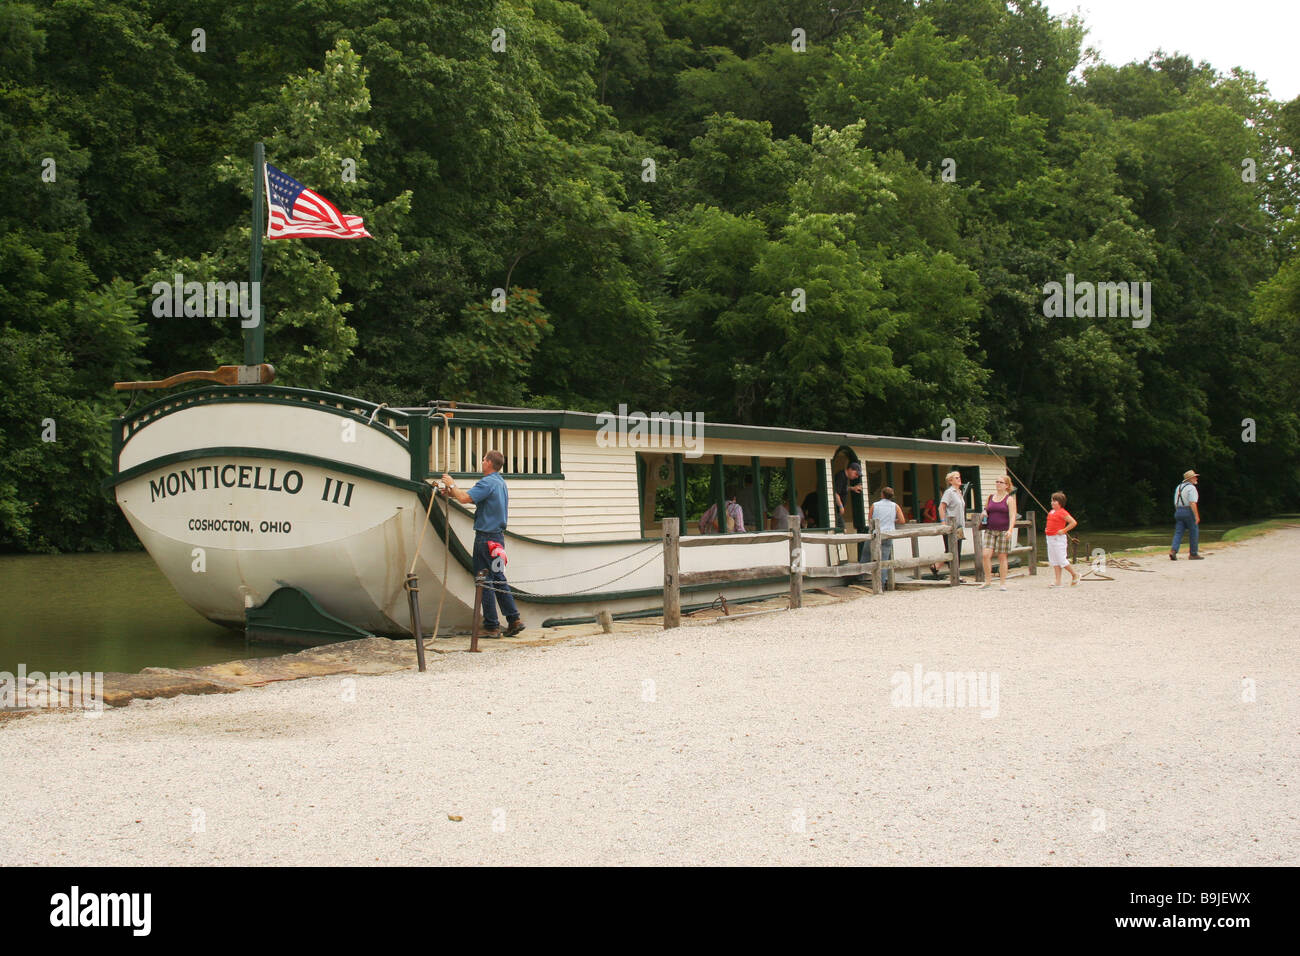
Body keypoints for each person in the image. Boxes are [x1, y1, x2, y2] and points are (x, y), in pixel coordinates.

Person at [441, 450, 524, 638]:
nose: (482, 461)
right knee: (498, 578)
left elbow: (464, 498)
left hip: (485, 539)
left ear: (489, 463)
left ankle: (492, 625)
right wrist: (451, 492)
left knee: (483, 580)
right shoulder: (500, 483)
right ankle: (513, 619)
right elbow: (470, 497)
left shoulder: (486, 482)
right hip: (497, 539)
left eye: (484, 458)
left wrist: (450, 483)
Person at [979, 475, 1016, 591]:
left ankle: (1003, 582)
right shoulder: (990, 497)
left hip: (1003, 530)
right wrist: (984, 513)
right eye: (997, 482)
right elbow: (986, 509)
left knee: (1002, 556)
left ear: (1006, 485)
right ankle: (988, 580)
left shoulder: (1009, 499)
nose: (998, 484)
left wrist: (1010, 529)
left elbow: (1012, 516)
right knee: (985, 555)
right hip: (990, 530)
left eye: (1001, 482)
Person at [871, 487, 906, 588]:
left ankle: (862, 578)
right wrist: (892, 521)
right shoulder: (895, 506)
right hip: (888, 534)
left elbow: (870, 520)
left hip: (876, 534)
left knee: (869, 556)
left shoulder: (874, 505)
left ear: (882, 494)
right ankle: (881, 584)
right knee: (884, 559)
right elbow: (902, 520)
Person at [1044, 491, 1080, 587]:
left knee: (1061, 559)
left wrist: (1064, 530)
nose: (1052, 502)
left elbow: (1073, 522)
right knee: (1054, 560)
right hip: (1050, 538)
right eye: (1052, 500)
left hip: (1058, 539)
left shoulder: (1063, 512)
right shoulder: (1051, 512)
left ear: (1060, 502)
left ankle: (1074, 574)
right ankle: (1058, 581)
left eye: (1055, 501)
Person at [935, 471, 965, 577]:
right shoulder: (949, 492)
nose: (959, 479)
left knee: (957, 550)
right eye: (956, 478)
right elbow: (941, 507)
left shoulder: (959, 492)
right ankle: (954, 574)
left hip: (959, 526)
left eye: (959, 477)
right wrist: (943, 522)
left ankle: (936, 566)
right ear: (950, 481)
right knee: (951, 550)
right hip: (950, 526)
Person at [1170, 470, 1203, 560]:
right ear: (1191, 479)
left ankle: (1173, 551)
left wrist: (1178, 511)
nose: (1196, 478)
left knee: (1178, 532)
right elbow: (1192, 503)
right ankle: (1193, 554)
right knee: (1194, 532)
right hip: (1188, 511)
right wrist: (1197, 515)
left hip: (1179, 510)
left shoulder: (1179, 487)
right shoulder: (1191, 488)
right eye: (1195, 477)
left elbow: (1175, 502)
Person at [833, 461, 863, 526]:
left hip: (837, 510)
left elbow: (842, 489)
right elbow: (835, 493)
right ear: (850, 469)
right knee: (842, 528)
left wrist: (853, 488)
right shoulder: (841, 476)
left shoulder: (845, 477)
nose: (856, 476)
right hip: (835, 509)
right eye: (856, 474)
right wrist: (841, 506)